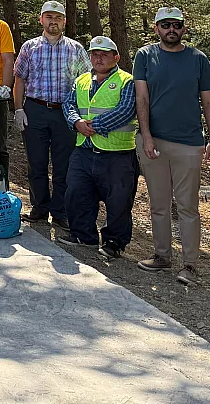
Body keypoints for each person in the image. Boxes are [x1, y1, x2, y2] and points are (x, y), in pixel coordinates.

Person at [134, 6, 210, 286]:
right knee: (158, 203)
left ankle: (191, 265)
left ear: (184, 28)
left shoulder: (198, 59)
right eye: (165, 24)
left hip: (189, 143)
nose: (171, 29)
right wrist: (146, 135)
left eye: (177, 25)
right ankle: (162, 255)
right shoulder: (145, 56)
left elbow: (209, 101)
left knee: (187, 207)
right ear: (157, 28)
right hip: (153, 141)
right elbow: (142, 98)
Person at [13, 1, 90, 227]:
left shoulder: (75, 49)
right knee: (36, 163)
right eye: (48, 17)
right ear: (41, 20)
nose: (53, 21)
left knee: (62, 165)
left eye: (57, 17)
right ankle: (39, 207)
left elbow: (86, 82)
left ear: (64, 21)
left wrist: (81, 114)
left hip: (65, 112)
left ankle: (60, 211)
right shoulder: (29, 47)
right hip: (35, 110)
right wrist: (18, 109)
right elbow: (19, 79)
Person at [61, 35, 137, 259]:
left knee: (118, 201)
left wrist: (95, 126)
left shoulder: (127, 81)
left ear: (116, 57)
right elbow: (69, 104)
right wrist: (76, 123)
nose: (99, 58)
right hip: (84, 149)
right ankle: (83, 235)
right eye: (94, 54)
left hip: (116, 153)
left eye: (104, 54)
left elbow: (126, 110)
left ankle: (115, 242)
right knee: (77, 192)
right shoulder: (82, 79)